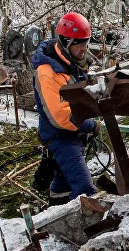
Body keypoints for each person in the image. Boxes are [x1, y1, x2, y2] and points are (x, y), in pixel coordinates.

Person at [31, 12, 99, 204]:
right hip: (61, 138)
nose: (84, 48)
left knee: (62, 187)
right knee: (85, 190)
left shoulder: (74, 63)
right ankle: (86, 229)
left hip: (73, 137)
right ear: (65, 42)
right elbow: (61, 116)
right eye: (79, 43)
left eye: (86, 42)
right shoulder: (48, 72)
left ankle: (54, 217)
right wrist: (90, 125)